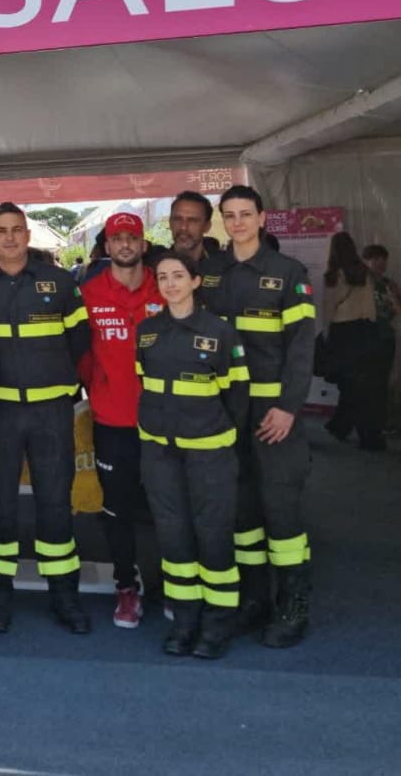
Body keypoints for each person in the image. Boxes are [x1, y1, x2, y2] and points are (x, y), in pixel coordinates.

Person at [0, 203, 92, 636]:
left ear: (28, 234)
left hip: (50, 412)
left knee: (55, 503)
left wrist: (52, 376)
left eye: (17, 229)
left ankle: (64, 596)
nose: (10, 238)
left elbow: (79, 339)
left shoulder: (59, 282)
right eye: (1, 231)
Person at [201, 185, 316, 649]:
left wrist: (288, 407)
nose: (238, 223)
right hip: (229, 415)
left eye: (245, 214)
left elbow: (302, 348)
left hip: (275, 417)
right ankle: (255, 600)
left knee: (281, 509)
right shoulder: (209, 274)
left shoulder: (289, 274)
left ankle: (294, 603)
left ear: (262, 218)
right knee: (242, 512)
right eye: (229, 216)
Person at [137, 252, 249, 659]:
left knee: (214, 536)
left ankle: (218, 623)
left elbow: (236, 396)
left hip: (209, 453)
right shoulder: (147, 332)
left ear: (196, 281)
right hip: (160, 453)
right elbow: (144, 383)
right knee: (173, 536)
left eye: (178, 275)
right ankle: (185, 621)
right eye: (163, 277)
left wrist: (210, 433)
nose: (170, 283)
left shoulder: (220, 332)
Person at [79, 212, 163, 630]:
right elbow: (81, 355)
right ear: (106, 247)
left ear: (143, 244)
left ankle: (170, 586)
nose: (125, 244)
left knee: (169, 508)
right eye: (117, 238)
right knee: (118, 510)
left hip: (167, 422)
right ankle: (126, 588)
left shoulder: (166, 286)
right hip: (113, 420)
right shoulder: (90, 293)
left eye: (133, 237)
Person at [320, 233, 387, 451]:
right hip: (366, 330)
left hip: (343, 332)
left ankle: (361, 434)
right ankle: (347, 427)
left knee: (350, 385)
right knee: (364, 386)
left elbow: (329, 308)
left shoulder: (334, 275)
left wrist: (326, 334)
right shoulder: (364, 273)